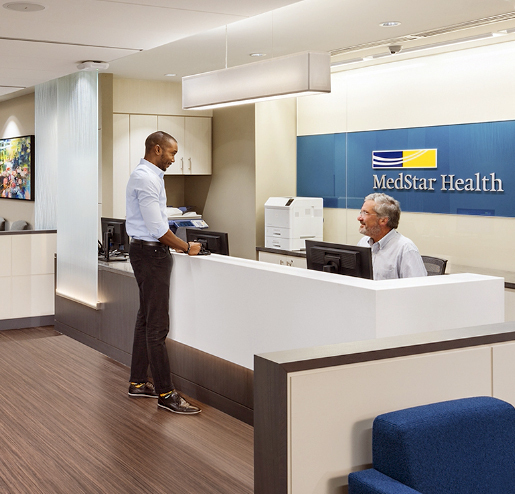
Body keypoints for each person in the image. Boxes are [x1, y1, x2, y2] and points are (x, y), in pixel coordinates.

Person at [125, 131, 202, 415]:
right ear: (157, 149)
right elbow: (158, 230)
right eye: (172, 153)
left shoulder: (150, 176)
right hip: (151, 254)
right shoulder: (146, 179)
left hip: (145, 252)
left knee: (145, 320)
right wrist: (186, 247)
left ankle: (137, 382)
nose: (173, 159)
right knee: (157, 326)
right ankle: (166, 393)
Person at [357, 193, 427, 280]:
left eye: (365, 213)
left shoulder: (405, 248)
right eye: (361, 212)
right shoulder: (363, 243)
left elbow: (418, 289)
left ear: (383, 220)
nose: (359, 218)